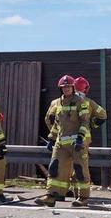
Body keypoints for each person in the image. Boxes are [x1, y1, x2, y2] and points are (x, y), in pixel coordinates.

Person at [36, 75, 91, 208]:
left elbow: (85, 121)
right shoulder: (58, 103)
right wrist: (51, 138)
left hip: (77, 143)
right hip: (61, 143)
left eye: (68, 87)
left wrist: (80, 137)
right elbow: (56, 123)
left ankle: (83, 197)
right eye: (63, 87)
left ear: (73, 87)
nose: (66, 89)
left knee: (79, 170)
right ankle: (51, 196)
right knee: (54, 168)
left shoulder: (80, 102)